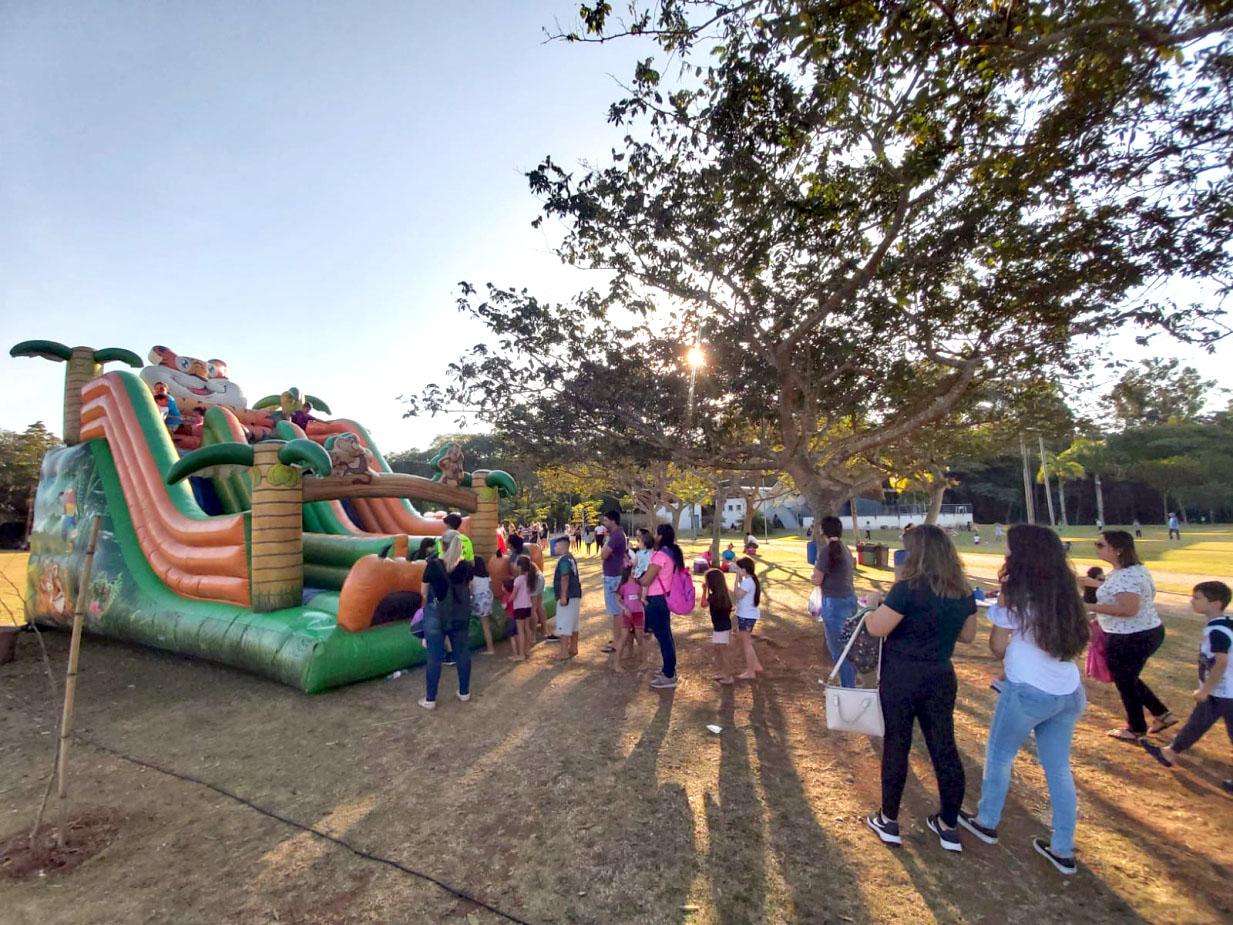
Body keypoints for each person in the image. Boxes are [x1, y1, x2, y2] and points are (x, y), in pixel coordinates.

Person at [957, 525, 1090, 875]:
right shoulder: (1067, 590)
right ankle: (1062, 848)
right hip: (1067, 691)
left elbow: (997, 646)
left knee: (999, 756)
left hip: (1027, 691)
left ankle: (986, 821)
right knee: (1058, 769)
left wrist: (1002, 611)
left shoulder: (1015, 591)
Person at [864, 524, 977, 852]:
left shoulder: (907, 589)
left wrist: (873, 604)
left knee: (897, 744)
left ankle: (889, 819)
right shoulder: (963, 591)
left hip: (902, 676)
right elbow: (968, 636)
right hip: (940, 674)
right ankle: (949, 824)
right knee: (944, 748)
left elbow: (877, 627)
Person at [1142, 581, 1233, 795]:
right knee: (1197, 722)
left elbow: (1221, 662)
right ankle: (1169, 753)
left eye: (1197, 597)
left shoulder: (1217, 631)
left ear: (1216, 603)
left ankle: (1170, 752)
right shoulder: (1224, 624)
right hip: (1219, 692)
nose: (1192, 601)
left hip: (1226, 693)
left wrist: (1205, 690)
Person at [1084, 531, 1175, 741]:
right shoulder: (1129, 570)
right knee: (1128, 678)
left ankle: (1136, 728)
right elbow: (1118, 590)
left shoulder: (1127, 575)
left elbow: (1128, 609)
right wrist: (1092, 584)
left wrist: (1086, 606)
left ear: (1118, 550)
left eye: (1100, 545)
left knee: (1125, 680)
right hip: (1141, 632)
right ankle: (1161, 714)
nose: (1096, 547)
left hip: (1131, 637)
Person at [419, 532, 474, 710]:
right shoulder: (466, 566)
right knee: (462, 652)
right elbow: (470, 588)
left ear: (442, 545)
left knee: (434, 656)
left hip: (436, 614)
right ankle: (464, 692)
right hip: (459, 614)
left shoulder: (433, 565)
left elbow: (424, 591)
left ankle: (430, 699)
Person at [811, 515, 858, 688]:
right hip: (849, 599)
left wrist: (813, 576)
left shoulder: (827, 551)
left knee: (838, 649)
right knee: (848, 645)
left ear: (823, 530)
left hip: (834, 603)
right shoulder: (845, 548)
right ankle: (850, 682)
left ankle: (848, 688)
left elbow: (816, 579)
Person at [639, 523, 685, 689]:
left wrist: (635, 577)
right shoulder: (672, 553)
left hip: (656, 599)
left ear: (660, 536)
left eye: (656, 533)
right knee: (666, 636)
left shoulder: (660, 556)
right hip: (663, 598)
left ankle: (668, 674)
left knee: (663, 637)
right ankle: (669, 670)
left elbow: (646, 580)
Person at [702, 567, 736, 685]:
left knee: (723, 651)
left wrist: (704, 590)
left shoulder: (714, 596)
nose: (705, 582)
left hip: (722, 628)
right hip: (721, 627)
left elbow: (703, 604)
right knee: (717, 649)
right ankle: (723, 672)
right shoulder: (722, 594)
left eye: (706, 580)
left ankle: (728, 676)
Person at [551, 535, 582, 662]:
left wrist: (563, 595)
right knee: (574, 623)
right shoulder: (570, 558)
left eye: (556, 545)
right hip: (575, 595)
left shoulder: (564, 560)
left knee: (564, 623)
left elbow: (565, 577)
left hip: (568, 596)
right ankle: (573, 647)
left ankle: (564, 652)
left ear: (562, 546)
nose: (554, 547)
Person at [733, 557, 764, 680]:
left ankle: (750, 672)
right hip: (748, 615)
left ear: (744, 569)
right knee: (747, 642)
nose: (738, 571)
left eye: (739, 569)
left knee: (746, 644)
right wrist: (740, 579)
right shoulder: (750, 580)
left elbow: (737, 594)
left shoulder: (747, 582)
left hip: (746, 616)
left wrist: (736, 579)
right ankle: (756, 665)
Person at [615, 564, 647, 670]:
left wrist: (643, 601)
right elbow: (618, 599)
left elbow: (641, 598)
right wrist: (625, 608)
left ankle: (644, 662)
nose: (635, 572)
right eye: (633, 570)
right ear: (628, 572)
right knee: (623, 638)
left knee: (640, 639)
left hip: (638, 614)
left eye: (636, 569)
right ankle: (617, 664)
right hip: (627, 615)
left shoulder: (640, 585)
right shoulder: (623, 586)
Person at [509, 555, 538, 661]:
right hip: (527, 606)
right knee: (527, 628)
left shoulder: (518, 580)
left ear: (520, 567)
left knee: (520, 631)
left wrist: (509, 599)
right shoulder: (529, 578)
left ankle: (521, 654)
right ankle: (527, 650)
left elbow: (514, 595)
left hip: (519, 608)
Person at [471, 555, 496, 655]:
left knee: (485, 626)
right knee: (487, 621)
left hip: (479, 600)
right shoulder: (486, 575)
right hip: (488, 597)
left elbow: (471, 591)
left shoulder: (472, 577)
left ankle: (490, 649)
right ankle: (495, 624)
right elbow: (490, 586)